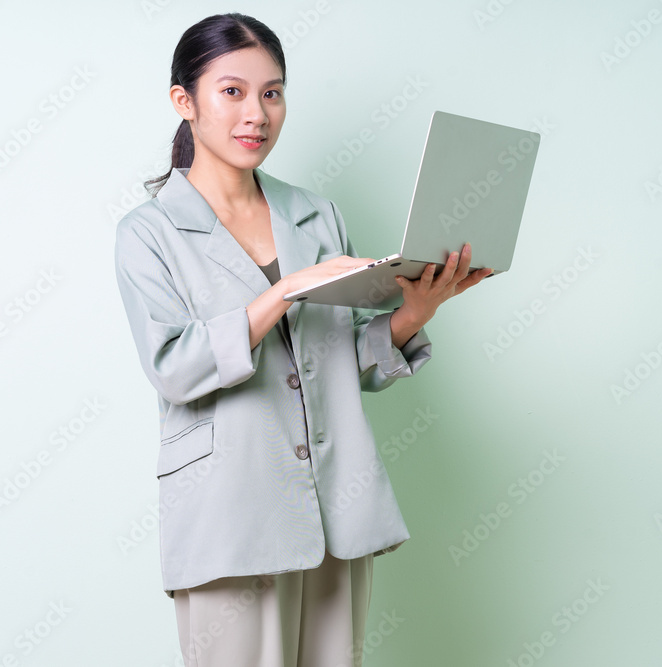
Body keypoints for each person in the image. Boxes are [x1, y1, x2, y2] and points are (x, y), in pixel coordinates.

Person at [113, 12, 491, 667]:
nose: (256, 112)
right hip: (230, 516)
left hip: (334, 508)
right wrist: (282, 291)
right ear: (185, 101)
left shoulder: (316, 214)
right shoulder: (149, 232)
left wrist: (412, 311)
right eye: (232, 91)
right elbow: (174, 367)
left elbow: (342, 363)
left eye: (272, 92)